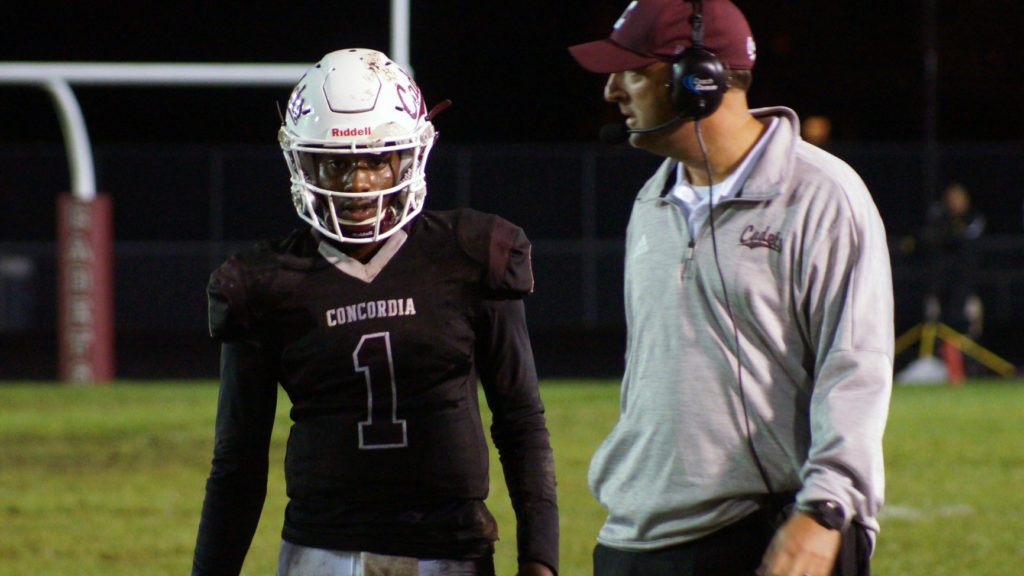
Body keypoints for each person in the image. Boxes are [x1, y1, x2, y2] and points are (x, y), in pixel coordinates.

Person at [191, 48, 558, 576]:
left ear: (408, 158)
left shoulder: (471, 253)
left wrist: (540, 558)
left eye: (375, 160)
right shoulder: (264, 282)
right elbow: (238, 462)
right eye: (337, 163)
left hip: (449, 552)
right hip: (320, 553)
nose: (358, 183)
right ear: (304, 163)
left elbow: (520, 421)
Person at [567, 2, 893, 576]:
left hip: (761, 531)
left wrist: (827, 508)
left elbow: (855, 367)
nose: (612, 91)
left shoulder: (819, 195)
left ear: (698, 79)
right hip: (635, 536)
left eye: (632, 73)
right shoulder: (652, 200)